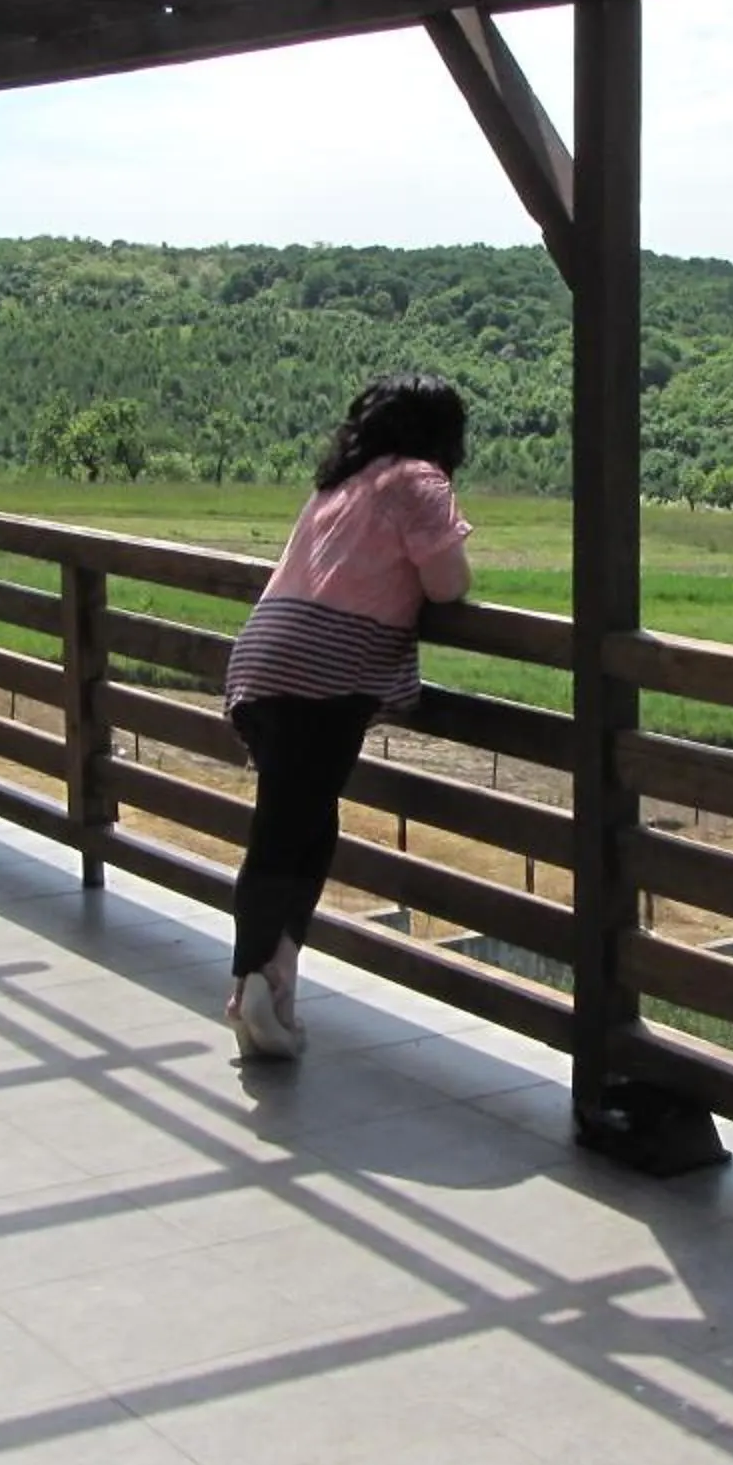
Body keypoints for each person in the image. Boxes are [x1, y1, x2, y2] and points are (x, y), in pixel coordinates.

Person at [220, 374, 473, 1059]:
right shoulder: (418, 480)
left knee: (300, 825)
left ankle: (271, 982)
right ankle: (252, 985)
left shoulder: (341, 484)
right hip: (325, 672)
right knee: (287, 833)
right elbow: (448, 582)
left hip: (264, 656)